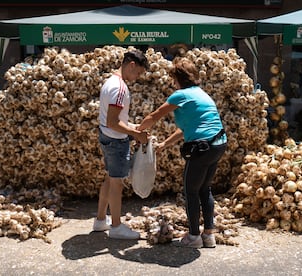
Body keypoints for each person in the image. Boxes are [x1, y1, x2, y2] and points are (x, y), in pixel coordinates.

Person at [137, 58, 227, 248]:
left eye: (173, 79)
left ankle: (193, 237)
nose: (172, 83)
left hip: (202, 147)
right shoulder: (201, 94)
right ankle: (208, 235)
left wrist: (137, 132)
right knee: (205, 189)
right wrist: (164, 145)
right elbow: (185, 129)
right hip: (218, 143)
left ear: (178, 78)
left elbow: (154, 116)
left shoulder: (180, 95)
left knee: (191, 190)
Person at [93, 50, 149, 239]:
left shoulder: (110, 82)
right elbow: (113, 121)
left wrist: (134, 128)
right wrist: (135, 134)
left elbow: (111, 121)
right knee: (117, 183)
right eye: (138, 73)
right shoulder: (120, 89)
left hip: (106, 137)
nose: (137, 78)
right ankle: (116, 227)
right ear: (131, 65)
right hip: (116, 141)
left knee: (109, 178)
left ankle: (101, 220)